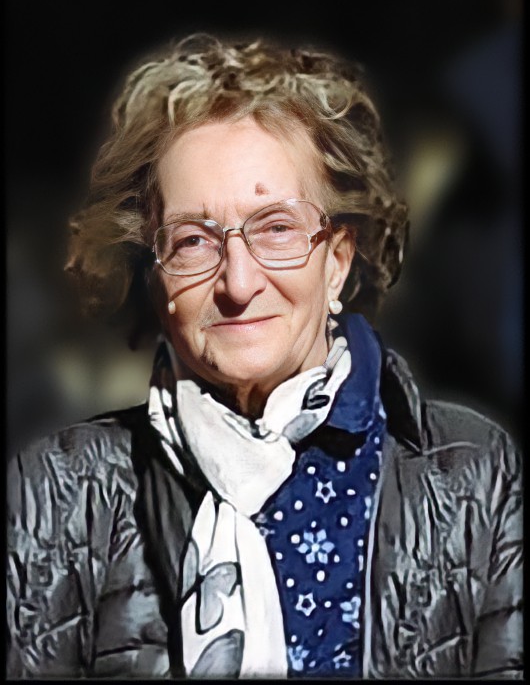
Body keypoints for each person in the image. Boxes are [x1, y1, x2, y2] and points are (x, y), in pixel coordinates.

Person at [6, 34, 522, 680]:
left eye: (276, 229)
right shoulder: (59, 492)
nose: (239, 282)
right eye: (193, 241)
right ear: (153, 277)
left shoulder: (473, 474)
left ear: (337, 262)